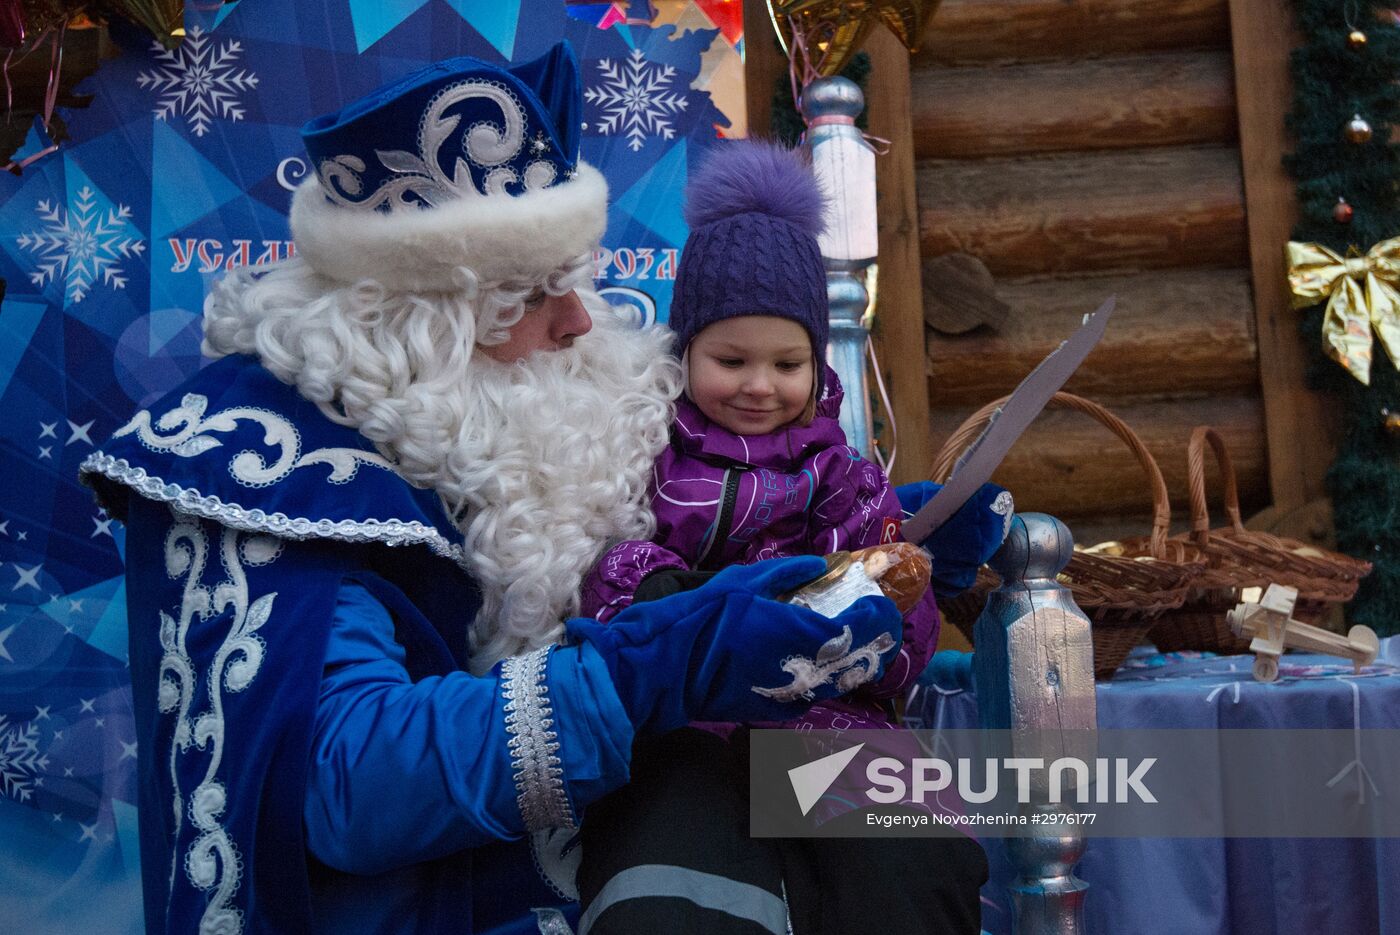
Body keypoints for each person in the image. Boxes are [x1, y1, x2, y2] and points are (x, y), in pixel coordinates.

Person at [79, 46, 907, 935]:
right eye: (542, 291)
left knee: (925, 839)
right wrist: (658, 669)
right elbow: (347, 783)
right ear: (427, 318)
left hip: (652, 852)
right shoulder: (261, 470)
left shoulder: (534, 416)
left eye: (579, 276)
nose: (581, 320)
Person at [573, 141, 1013, 935]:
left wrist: (883, 611)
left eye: (787, 362)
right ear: (685, 352)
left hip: (827, 723)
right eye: (730, 358)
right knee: (674, 880)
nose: (759, 385)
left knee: (910, 863)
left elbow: (902, 619)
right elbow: (604, 553)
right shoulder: (645, 449)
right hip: (687, 720)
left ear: (816, 362)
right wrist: (654, 587)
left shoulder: (843, 474)